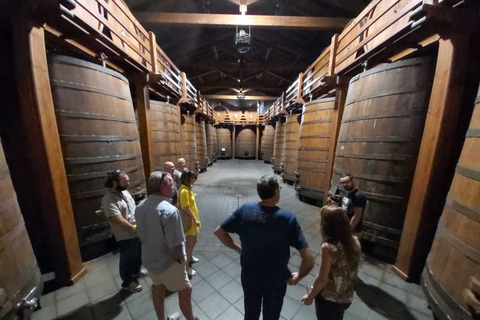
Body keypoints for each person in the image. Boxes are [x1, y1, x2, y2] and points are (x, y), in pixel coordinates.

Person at [214, 175, 314, 320]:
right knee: (271, 316)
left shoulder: (245, 210)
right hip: (276, 279)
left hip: (250, 276)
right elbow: (309, 259)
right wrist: (297, 277)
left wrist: (238, 248)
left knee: (250, 314)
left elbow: (219, 232)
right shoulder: (287, 219)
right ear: (275, 192)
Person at [135, 171, 201, 320]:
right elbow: (175, 245)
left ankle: (162, 319)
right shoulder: (169, 211)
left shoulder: (140, 206)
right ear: (163, 186)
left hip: (149, 260)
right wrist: (183, 260)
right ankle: (191, 318)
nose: (174, 186)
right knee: (186, 289)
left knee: (158, 287)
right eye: (171, 183)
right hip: (167, 262)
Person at [301, 206, 362, 320]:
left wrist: (310, 296)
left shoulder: (329, 248)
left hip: (330, 300)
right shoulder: (354, 240)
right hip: (346, 296)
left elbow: (321, 278)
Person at [102, 170, 144, 293]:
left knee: (138, 252)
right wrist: (134, 229)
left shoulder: (124, 192)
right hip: (125, 234)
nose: (128, 182)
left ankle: (136, 271)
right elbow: (118, 219)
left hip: (136, 230)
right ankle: (127, 281)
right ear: (115, 183)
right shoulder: (108, 199)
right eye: (125, 181)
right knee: (127, 256)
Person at [177, 170, 201, 276]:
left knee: (193, 241)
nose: (195, 179)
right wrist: (194, 218)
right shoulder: (184, 191)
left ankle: (190, 257)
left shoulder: (187, 189)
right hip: (190, 220)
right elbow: (185, 207)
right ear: (188, 178)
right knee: (190, 244)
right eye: (193, 177)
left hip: (192, 219)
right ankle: (186, 269)